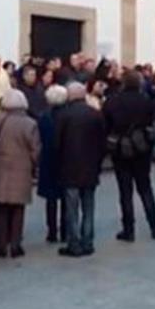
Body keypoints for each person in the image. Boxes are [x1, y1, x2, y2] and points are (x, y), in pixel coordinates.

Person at [103, 72, 155, 242]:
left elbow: (106, 123)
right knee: (145, 187)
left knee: (125, 191)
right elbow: (151, 121)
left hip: (120, 149)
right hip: (141, 148)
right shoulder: (145, 100)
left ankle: (128, 229)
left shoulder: (112, 101)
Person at [0, 89, 41, 258]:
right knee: (18, 207)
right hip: (21, 167)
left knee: (1, 207)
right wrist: (33, 165)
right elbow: (35, 149)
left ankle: (1, 244)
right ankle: (16, 244)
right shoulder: (30, 123)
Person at [55, 83, 106, 257]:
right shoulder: (95, 114)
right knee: (89, 206)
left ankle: (74, 243)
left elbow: (57, 143)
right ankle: (88, 241)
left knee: (71, 207)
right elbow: (102, 142)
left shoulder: (63, 115)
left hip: (69, 167)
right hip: (90, 167)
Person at [37, 85, 67, 243]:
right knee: (66, 196)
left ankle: (52, 231)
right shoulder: (68, 116)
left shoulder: (44, 117)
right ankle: (65, 230)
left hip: (48, 158)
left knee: (51, 198)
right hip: (65, 158)